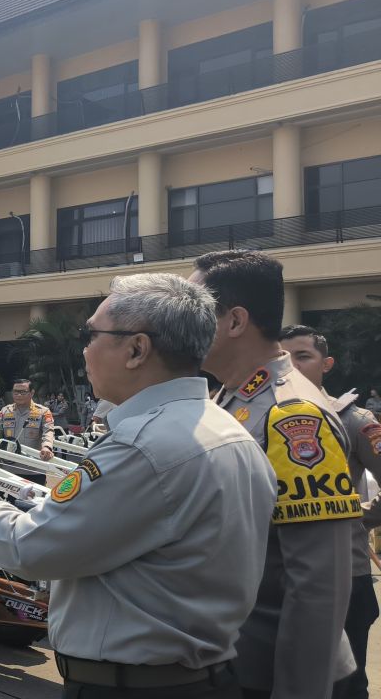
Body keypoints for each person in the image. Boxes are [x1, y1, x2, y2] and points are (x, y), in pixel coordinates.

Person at [0, 273, 275, 698]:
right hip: (200, 676)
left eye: (92, 335)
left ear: (137, 349)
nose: (85, 350)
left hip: (133, 685)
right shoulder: (232, 431)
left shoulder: (143, 446)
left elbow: (30, 547)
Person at [191, 250, 360, 699]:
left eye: (196, 309)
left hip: (274, 671)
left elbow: (318, 582)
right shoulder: (233, 396)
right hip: (236, 660)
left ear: (235, 321)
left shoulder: (291, 414)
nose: (183, 322)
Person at [279, 324, 381, 699]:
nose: (291, 366)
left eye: (302, 356)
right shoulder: (261, 420)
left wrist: (353, 513)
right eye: (283, 358)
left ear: (327, 364)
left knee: (345, 686)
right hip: (280, 573)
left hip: (345, 574)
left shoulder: (354, 421)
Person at [0, 378, 55, 484]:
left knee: (34, 500)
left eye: (23, 392)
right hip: (9, 469)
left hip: (34, 470)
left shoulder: (43, 412)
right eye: (15, 392)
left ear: (32, 393)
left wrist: (46, 447)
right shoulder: (5, 411)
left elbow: (48, 431)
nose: (18, 395)